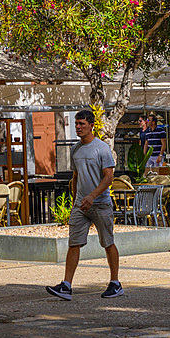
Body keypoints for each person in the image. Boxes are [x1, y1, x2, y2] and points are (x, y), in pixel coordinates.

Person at [46, 108, 122, 300]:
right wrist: (75, 201)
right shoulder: (75, 149)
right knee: (74, 243)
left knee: (108, 242)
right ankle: (66, 285)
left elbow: (109, 177)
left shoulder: (102, 148)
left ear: (91, 126)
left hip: (101, 204)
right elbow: (76, 176)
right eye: (77, 124)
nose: (78, 127)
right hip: (81, 206)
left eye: (82, 124)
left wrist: (93, 196)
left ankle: (115, 283)